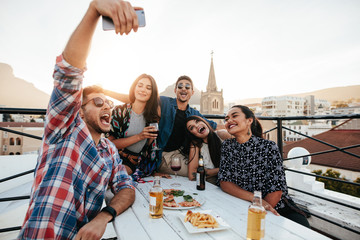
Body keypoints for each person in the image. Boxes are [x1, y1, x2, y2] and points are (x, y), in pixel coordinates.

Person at [18, 1, 140, 239]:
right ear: (80, 111)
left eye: (109, 104)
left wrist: (104, 217)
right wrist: (94, 10)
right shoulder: (64, 128)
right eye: (97, 102)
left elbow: (126, 188)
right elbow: (69, 72)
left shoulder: (109, 152)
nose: (107, 106)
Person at [104, 75, 218, 177]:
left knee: (202, 169)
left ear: (192, 92)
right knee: (195, 173)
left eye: (187, 87)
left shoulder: (193, 113)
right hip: (162, 154)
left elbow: (212, 125)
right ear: (175, 90)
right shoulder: (164, 102)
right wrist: (106, 92)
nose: (184, 89)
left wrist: (229, 130)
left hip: (179, 153)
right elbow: (139, 97)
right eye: (180, 86)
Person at [218, 105, 310, 228]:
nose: (229, 120)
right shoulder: (227, 146)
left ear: (249, 120)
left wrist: (259, 212)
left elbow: (276, 190)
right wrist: (255, 200)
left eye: (234, 116)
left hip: (276, 207)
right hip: (242, 202)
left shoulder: (268, 147)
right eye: (226, 119)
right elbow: (225, 182)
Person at [105, 74, 162, 181]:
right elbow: (110, 144)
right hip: (113, 156)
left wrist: (154, 170)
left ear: (152, 93)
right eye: (140, 85)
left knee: (113, 177)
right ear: (134, 88)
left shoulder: (152, 117)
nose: (143, 90)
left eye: (148, 88)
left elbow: (150, 148)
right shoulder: (120, 111)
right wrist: (140, 136)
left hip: (132, 163)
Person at [184, 115, 231, 184]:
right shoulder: (195, 146)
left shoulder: (222, 134)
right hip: (216, 183)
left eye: (197, 121)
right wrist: (223, 169)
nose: (197, 126)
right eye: (192, 127)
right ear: (191, 134)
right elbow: (192, 176)